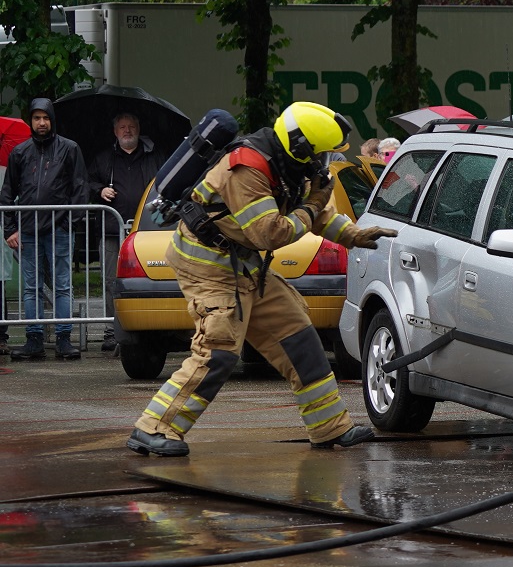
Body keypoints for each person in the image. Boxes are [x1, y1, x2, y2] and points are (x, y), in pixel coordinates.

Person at [125, 101, 397, 456]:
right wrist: (312, 205)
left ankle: (329, 428)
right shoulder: (247, 169)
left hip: (244, 265)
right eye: (323, 154)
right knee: (218, 350)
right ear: (301, 148)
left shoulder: (290, 167)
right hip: (208, 263)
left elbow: (317, 213)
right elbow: (269, 233)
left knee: (300, 338)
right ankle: (153, 428)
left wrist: (353, 234)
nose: (325, 163)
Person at [1, 99, 89, 361]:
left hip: (59, 230)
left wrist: (69, 223)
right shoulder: (19, 153)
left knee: (62, 285)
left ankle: (64, 339)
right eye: (37, 118)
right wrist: (10, 230)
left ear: (52, 120)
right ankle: (34, 339)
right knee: (31, 287)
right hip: (28, 230)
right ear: (30, 120)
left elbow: (80, 189)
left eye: (45, 118)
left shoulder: (69, 149)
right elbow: (8, 194)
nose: (41, 123)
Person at [89, 112, 166, 353]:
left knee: (148, 281)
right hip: (113, 231)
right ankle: (114, 330)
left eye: (131, 126)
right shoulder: (104, 159)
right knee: (112, 282)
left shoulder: (155, 157)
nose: (127, 131)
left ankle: (150, 329)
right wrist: (100, 191)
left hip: (148, 232)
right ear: (115, 132)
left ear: (138, 128)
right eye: (122, 127)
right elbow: (87, 183)